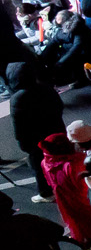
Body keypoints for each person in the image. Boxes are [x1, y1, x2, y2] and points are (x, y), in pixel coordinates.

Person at [6, 61, 64, 202]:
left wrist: (23, 144)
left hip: (35, 140)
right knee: (61, 159)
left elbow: (19, 126)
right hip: (56, 130)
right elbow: (59, 106)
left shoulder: (18, 98)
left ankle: (46, 193)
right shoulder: (45, 87)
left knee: (38, 165)